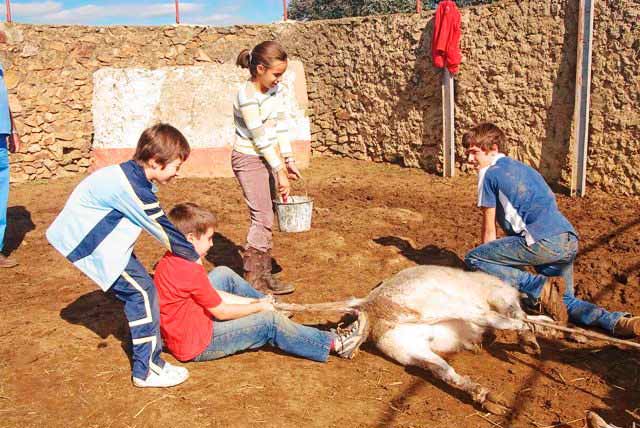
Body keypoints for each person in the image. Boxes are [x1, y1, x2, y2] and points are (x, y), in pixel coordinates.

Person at [47, 124, 199, 388]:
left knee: (141, 288)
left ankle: (148, 358)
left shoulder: (133, 175)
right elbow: (161, 227)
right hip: (92, 243)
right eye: (176, 166)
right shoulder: (131, 187)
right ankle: (147, 369)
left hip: (99, 238)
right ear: (155, 161)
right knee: (141, 292)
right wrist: (192, 254)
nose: (177, 173)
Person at [463, 123, 639, 338]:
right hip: (567, 238)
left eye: (474, 152)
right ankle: (618, 322)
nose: (470, 160)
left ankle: (538, 286)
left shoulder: (488, 174)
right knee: (565, 301)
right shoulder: (525, 169)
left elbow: (489, 230)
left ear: (493, 148)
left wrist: (483, 271)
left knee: (474, 258)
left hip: (541, 240)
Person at [154, 202, 369, 364]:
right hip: (197, 343)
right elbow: (220, 311)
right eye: (209, 238)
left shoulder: (172, 259)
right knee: (270, 323)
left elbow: (211, 293)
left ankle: (270, 307)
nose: (212, 244)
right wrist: (256, 308)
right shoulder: (190, 269)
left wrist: (255, 304)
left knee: (222, 273)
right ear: (191, 238)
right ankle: (335, 343)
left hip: (185, 329)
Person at [232, 40, 301, 295]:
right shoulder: (246, 96)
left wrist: (288, 159)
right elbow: (259, 136)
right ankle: (254, 282)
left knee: (267, 215)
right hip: (249, 158)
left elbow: (278, 126)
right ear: (260, 68)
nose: (279, 80)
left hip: (267, 156)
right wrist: (279, 170)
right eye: (276, 74)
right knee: (261, 217)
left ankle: (265, 275)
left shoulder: (273, 91)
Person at [0, 30, 21, 268]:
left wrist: (13, 131)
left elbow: (3, 103)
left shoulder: (0, 69)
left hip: (1, 137)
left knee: (0, 196)